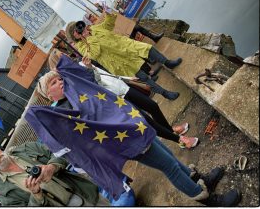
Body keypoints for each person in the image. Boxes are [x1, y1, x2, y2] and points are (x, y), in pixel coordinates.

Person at [26, 56, 241, 206]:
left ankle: (199, 179)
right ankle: (208, 199)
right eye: (53, 82)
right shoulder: (62, 114)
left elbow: (92, 81)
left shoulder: (78, 90)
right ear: (48, 94)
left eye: (59, 78)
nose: (60, 82)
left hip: (134, 127)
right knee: (169, 167)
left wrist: (81, 69)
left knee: (170, 158)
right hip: (125, 140)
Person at [47, 48, 198, 149]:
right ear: (59, 65)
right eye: (62, 56)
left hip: (121, 87)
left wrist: (126, 78)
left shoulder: (80, 63)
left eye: (64, 53)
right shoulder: (71, 80)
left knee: (152, 106)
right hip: (114, 98)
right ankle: (178, 140)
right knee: (145, 120)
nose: (66, 55)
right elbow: (96, 85)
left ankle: (170, 130)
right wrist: (89, 69)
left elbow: (106, 75)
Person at [65, 10, 181, 100]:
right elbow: (94, 53)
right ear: (74, 35)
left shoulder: (94, 28)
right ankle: (165, 93)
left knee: (148, 48)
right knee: (143, 77)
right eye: (77, 30)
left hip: (124, 45)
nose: (81, 29)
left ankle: (168, 63)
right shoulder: (81, 46)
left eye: (78, 26)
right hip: (119, 61)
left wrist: (109, 15)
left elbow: (108, 25)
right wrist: (87, 37)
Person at [0, 141, 110, 206]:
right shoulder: (5, 194)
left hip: (85, 194)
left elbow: (58, 151)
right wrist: (36, 195)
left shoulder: (26, 149)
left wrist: (52, 167)